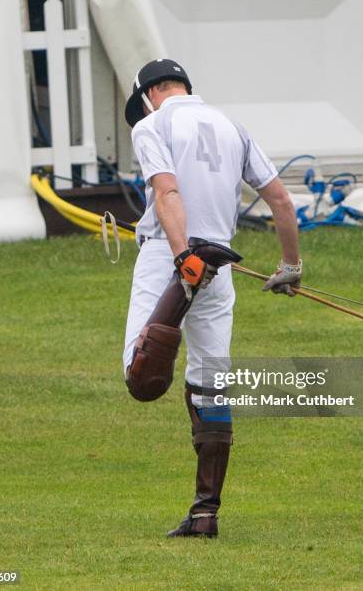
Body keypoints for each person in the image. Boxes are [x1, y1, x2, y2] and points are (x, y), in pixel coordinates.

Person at [123, 58, 301, 538]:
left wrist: (183, 262)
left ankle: (173, 310)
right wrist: (291, 267)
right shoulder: (232, 124)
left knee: (140, 376)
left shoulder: (150, 125)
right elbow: (281, 200)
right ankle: (206, 514)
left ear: (150, 93)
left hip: (171, 256)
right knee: (211, 384)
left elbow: (167, 190)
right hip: (219, 262)